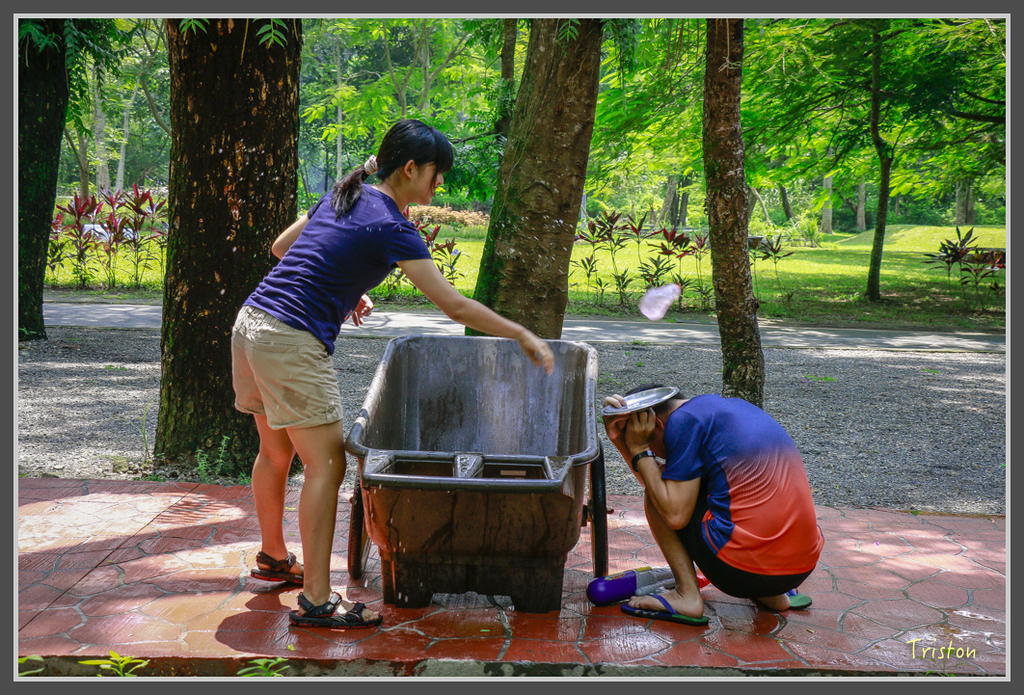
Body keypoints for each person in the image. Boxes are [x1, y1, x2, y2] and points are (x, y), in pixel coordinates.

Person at [232, 119, 555, 629]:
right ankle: (316, 600)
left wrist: (346, 284)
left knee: (275, 452)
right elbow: (453, 305)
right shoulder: (392, 225)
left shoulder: (346, 194)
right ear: (409, 169)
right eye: (435, 174)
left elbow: (282, 249)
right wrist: (520, 334)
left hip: (251, 324)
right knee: (326, 466)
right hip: (290, 340)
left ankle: (274, 557)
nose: (437, 186)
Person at [602, 384, 823, 626]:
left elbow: (670, 511)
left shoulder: (683, 423)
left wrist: (640, 449)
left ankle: (686, 595)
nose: (660, 456)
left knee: (662, 489)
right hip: (798, 568)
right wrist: (623, 443)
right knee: (676, 487)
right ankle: (773, 596)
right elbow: (653, 482)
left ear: (657, 425)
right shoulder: (725, 409)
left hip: (743, 570)